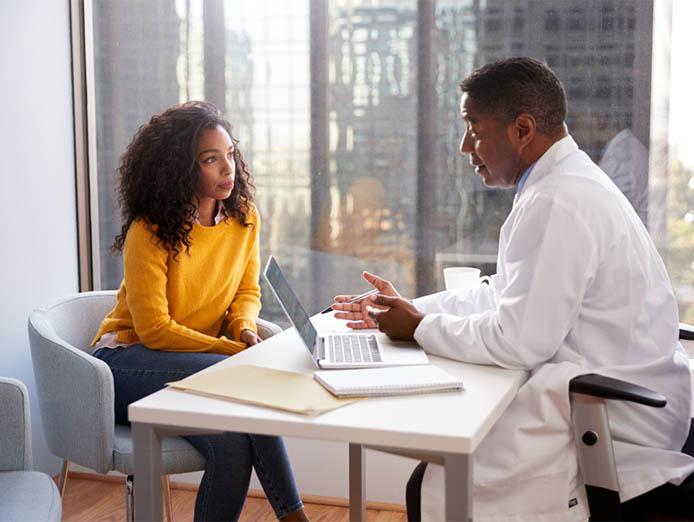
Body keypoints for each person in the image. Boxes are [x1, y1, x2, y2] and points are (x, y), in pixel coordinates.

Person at [332, 57, 694, 521]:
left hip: (615, 420)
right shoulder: (562, 183)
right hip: (625, 393)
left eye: (473, 128)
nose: (465, 146)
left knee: (436, 482)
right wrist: (407, 308)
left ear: (522, 129)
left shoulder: (559, 199)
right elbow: (503, 291)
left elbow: (522, 340)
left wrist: (419, 327)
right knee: (439, 466)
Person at [91, 101, 308, 521]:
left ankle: (291, 516)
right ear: (179, 168)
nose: (228, 169)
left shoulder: (243, 218)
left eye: (230, 154)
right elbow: (154, 330)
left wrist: (243, 328)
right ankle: (295, 518)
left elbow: (247, 290)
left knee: (231, 443)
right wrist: (231, 353)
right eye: (211, 160)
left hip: (198, 363)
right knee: (248, 382)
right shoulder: (149, 231)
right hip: (125, 364)